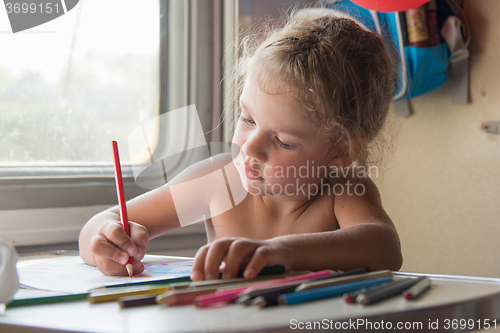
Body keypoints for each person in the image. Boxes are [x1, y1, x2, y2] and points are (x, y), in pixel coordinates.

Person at [79, 7, 402, 281]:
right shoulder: (220, 179)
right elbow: (103, 221)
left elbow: (384, 247)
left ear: (341, 152)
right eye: (248, 119)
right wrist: (107, 241)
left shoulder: (342, 189)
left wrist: (280, 251)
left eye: (283, 141)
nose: (249, 149)